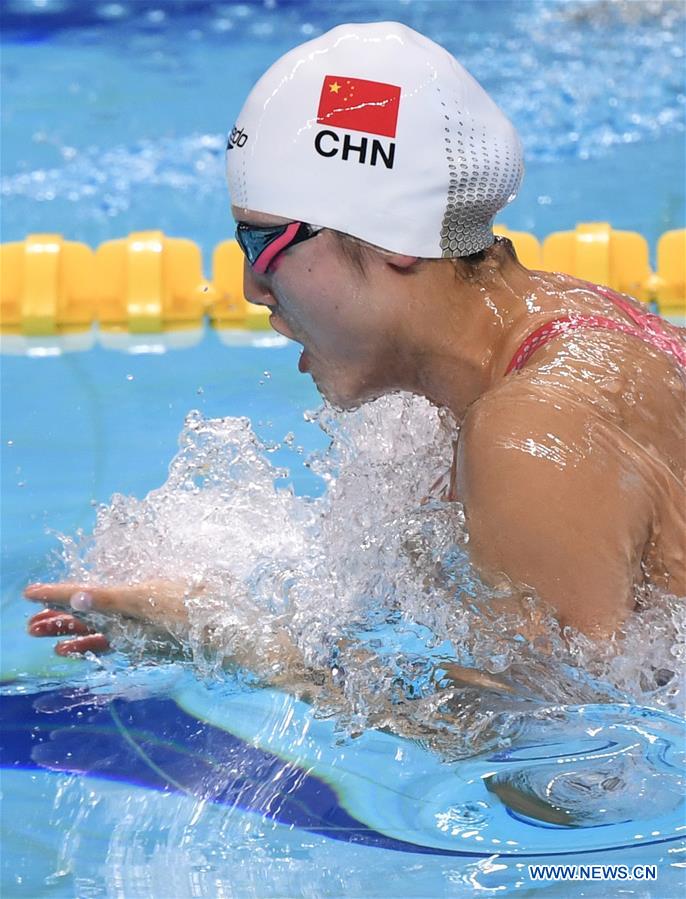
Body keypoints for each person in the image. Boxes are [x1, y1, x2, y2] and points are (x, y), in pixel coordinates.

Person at [25, 22, 685, 675]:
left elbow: (552, 736)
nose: (252, 286)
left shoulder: (529, 434)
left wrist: (231, 641)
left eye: (266, 243)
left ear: (392, 234)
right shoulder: (568, 324)